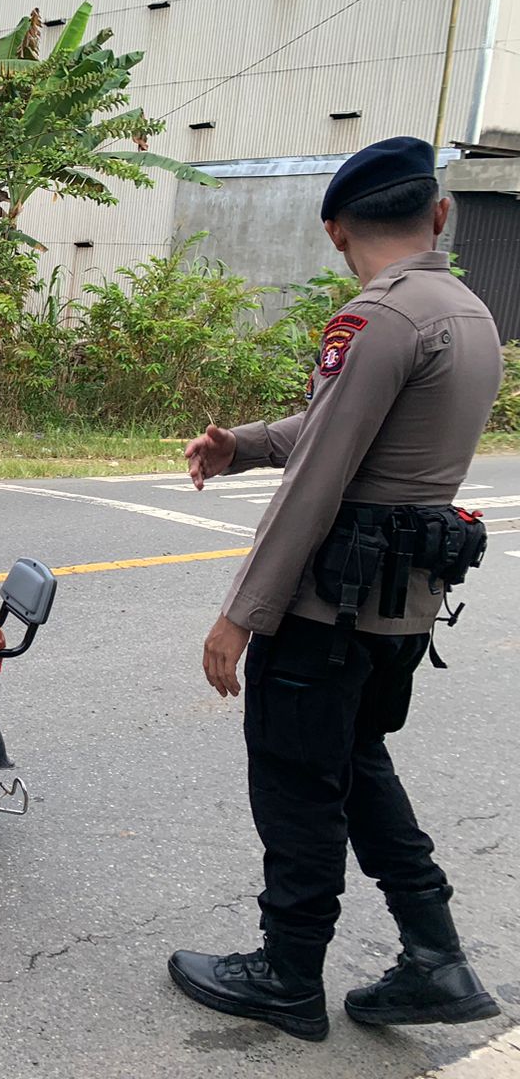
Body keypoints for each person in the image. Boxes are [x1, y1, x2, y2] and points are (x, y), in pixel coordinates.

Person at [168, 137, 504, 1042]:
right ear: (439, 215)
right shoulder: (469, 314)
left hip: (328, 610)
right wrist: (239, 442)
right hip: (401, 608)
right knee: (357, 767)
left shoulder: (379, 317)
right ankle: (436, 957)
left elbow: (319, 476)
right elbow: (345, 431)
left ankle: (286, 975)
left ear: (333, 232)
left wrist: (240, 616)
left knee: (294, 779)